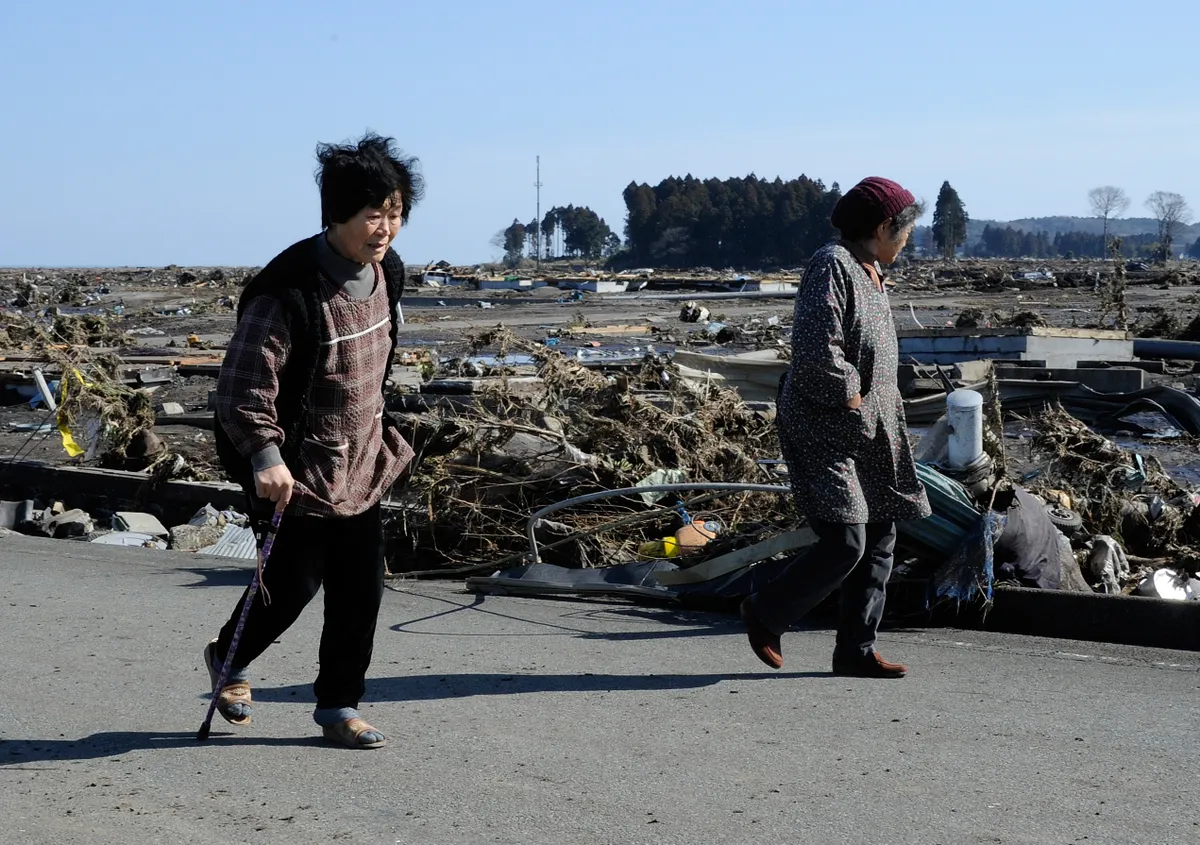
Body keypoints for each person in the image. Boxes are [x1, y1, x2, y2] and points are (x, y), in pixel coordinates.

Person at [205, 133, 423, 748]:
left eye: (395, 212)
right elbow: (243, 387)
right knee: (294, 584)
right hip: (296, 467)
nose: (385, 228)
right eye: (372, 214)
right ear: (336, 215)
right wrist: (265, 457)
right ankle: (228, 655)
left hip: (363, 457)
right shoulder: (288, 292)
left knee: (362, 588)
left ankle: (339, 707)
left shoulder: (389, 274)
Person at [740, 176, 931, 678]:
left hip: (872, 426)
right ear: (883, 226)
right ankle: (766, 611)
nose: (908, 240)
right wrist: (848, 394)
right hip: (827, 424)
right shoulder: (833, 264)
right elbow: (816, 343)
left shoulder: (871, 271)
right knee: (846, 540)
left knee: (881, 533)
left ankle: (856, 651)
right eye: (905, 230)